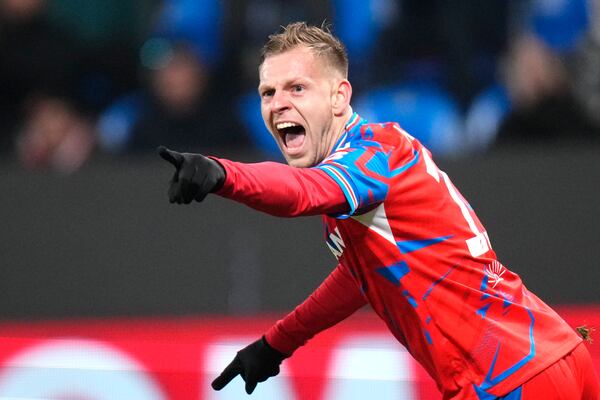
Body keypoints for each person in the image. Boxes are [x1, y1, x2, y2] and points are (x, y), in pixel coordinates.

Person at [157, 22, 599, 399]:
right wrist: (277, 344)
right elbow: (359, 277)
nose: (278, 104)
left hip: (508, 377)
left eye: (297, 87)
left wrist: (221, 173)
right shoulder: (365, 173)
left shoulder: (372, 152)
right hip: (551, 353)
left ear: (338, 96)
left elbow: (299, 194)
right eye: (267, 92)